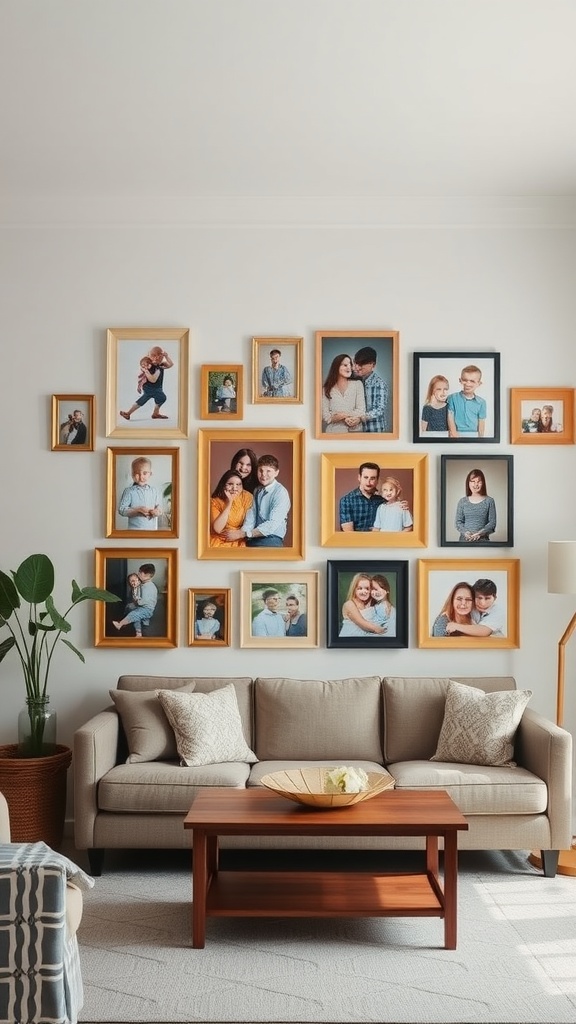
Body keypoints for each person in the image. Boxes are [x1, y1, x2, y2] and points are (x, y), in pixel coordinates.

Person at [224, 454, 290, 547]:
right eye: (261, 470)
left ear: (276, 473)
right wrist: (241, 535)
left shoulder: (280, 492)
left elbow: (272, 524)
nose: (263, 475)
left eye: (268, 471)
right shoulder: (257, 490)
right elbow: (251, 516)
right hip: (254, 538)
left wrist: (243, 534)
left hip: (271, 539)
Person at [120, 345, 174, 421]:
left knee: (154, 398)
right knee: (160, 398)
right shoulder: (150, 366)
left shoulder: (161, 365)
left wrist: (167, 357)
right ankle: (129, 413)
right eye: (153, 356)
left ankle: (153, 413)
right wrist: (146, 371)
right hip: (150, 388)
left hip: (157, 388)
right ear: (149, 357)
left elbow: (171, 364)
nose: (157, 358)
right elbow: (153, 380)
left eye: (160, 355)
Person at [347, 345, 389, 433]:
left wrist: (360, 418)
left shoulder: (379, 384)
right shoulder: (356, 379)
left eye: (361, 364)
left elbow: (379, 409)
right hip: (359, 431)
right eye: (356, 363)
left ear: (372, 365)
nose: (357, 367)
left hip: (374, 430)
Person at [321, 353, 365, 433]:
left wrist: (338, 415)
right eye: (345, 365)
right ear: (336, 367)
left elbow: (361, 410)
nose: (349, 367)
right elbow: (326, 417)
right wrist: (345, 416)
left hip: (356, 433)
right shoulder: (326, 389)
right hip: (333, 434)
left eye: (350, 365)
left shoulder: (358, 384)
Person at [210, 470, 253, 547]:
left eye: (238, 484)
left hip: (239, 541)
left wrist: (238, 534)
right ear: (223, 485)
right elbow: (217, 529)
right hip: (219, 542)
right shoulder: (215, 501)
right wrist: (229, 503)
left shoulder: (247, 497)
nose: (234, 488)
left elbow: (251, 523)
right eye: (230, 484)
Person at [118, 456, 163, 530]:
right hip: (134, 531)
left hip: (151, 530)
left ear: (150, 474)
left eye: (145, 473)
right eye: (137, 473)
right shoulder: (129, 491)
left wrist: (157, 512)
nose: (141, 477)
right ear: (132, 474)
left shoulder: (154, 491)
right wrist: (137, 511)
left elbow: (159, 507)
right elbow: (121, 510)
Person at [112, 563, 158, 635]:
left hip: (147, 609)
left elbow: (143, 601)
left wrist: (137, 601)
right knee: (134, 613)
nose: (138, 573)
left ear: (144, 574)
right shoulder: (145, 585)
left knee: (134, 614)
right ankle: (138, 632)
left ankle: (120, 624)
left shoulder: (148, 587)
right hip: (144, 607)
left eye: (139, 572)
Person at [454, 468, 496, 543]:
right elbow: (458, 522)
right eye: (473, 481)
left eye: (479, 481)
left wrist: (480, 533)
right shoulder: (462, 501)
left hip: (483, 543)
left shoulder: (489, 501)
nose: (476, 484)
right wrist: (466, 533)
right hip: (464, 542)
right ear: (468, 483)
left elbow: (492, 523)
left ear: (483, 483)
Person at [339, 462, 383, 532]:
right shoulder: (346, 500)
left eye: (372, 478)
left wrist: (401, 506)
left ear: (377, 480)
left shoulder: (382, 501)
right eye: (366, 477)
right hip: (356, 542)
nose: (368, 482)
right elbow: (348, 534)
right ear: (359, 477)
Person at [447, 364, 486, 437]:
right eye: (465, 380)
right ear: (460, 380)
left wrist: (481, 439)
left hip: (474, 435)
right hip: (456, 434)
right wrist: (454, 434)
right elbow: (450, 417)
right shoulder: (452, 398)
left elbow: (481, 422)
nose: (468, 384)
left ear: (479, 383)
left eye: (472, 381)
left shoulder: (482, 402)